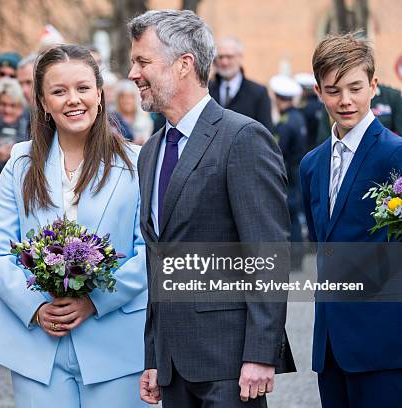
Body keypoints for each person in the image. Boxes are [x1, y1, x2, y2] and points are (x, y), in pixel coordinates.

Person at [128, 10, 295, 407]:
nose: (133, 73)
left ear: (184, 64)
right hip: (172, 368)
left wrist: (260, 353)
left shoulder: (242, 138)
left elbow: (268, 253)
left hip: (230, 365)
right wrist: (154, 355)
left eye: (143, 61)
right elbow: (159, 260)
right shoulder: (150, 151)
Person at [0, 45, 148, 407]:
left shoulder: (137, 164)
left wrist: (94, 300)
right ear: (42, 101)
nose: (74, 100)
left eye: (83, 88)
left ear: (100, 95)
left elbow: (149, 252)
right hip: (37, 346)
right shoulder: (20, 163)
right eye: (59, 91)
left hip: (115, 340)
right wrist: (36, 308)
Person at [299, 32, 402, 408]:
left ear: (374, 86)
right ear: (318, 91)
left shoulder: (396, 155)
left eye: (356, 88)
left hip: (385, 344)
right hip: (329, 347)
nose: (345, 101)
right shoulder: (311, 165)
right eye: (333, 90)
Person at [270, 75, 308, 270]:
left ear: (278, 98)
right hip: (297, 176)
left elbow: (277, 151)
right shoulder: (298, 117)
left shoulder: (285, 122)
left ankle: (292, 262)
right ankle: (297, 260)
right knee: (294, 219)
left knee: (289, 220)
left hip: (288, 178)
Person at [208, 36, 273, 131]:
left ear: (240, 58)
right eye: (220, 57)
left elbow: (266, 132)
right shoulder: (206, 89)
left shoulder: (258, 93)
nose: (224, 62)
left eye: (229, 57)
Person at [112, 79, 154, 144]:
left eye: (130, 97)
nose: (127, 101)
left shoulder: (144, 120)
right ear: (118, 99)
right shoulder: (112, 119)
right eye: (123, 97)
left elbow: (147, 142)